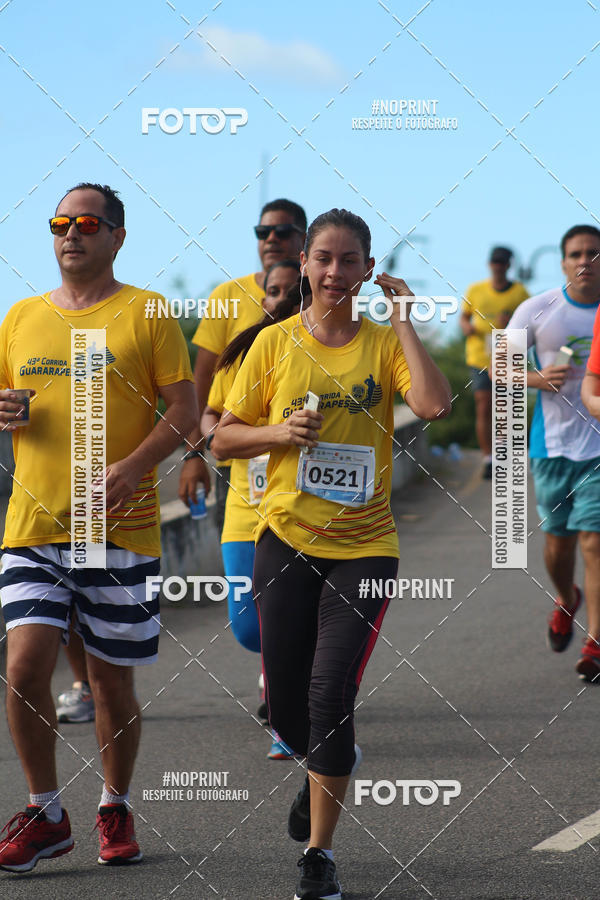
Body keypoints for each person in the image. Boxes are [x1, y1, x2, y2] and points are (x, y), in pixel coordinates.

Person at [212, 209, 451, 900]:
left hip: (366, 548)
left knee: (330, 695)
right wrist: (280, 432)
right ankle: (321, 768)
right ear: (306, 266)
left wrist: (403, 318)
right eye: (323, 259)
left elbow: (433, 404)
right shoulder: (274, 345)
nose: (335, 273)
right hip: (284, 540)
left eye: (350, 261)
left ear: (368, 270)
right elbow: (224, 439)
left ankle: (319, 855)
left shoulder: (382, 343)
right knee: (288, 713)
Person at [0, 183, 202, 873]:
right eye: (60, 223)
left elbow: (186, 407)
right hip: (33, 524)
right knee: (25, 666)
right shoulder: (21, 316)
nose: (71, 234)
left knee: (112, 684)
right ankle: (46, 811)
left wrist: (137, 463)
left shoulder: (147, 313)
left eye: (87, 223)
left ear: (117, 236)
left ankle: (114, 802)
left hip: (119, 525)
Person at [203, 260, 304, 759]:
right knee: (248, 627)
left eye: (290, 292)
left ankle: (288, 719)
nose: (278, 300)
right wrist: (210, 433)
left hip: (306, 512)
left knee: (292, 619)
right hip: (247, 511)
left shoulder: (323, 354)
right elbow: (213, 413)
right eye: (271, 292)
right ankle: (276, 670)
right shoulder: (242, 353)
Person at [178, 199, 306, 534]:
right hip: (239, 467)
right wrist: (194, 454)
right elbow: (203, 378)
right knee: (242, 572)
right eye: (263, 232)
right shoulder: (227, 296)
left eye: (282, 231)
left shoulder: (321, 298)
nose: (271, 239)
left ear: (305, 240)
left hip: (305, 474)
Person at [507, 225, 600, 680]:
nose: (585, 261)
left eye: (593, 253)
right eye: (576, 253)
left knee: (594, 540)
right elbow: (498, 363)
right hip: (551, 446)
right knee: (558, 545)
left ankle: (595, 644)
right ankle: (567, 597)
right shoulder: (539, 308)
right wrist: (536, 379)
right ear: (562, 261)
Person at [461, 247, 528, 478]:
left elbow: (529, 324)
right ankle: (488, 457)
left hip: (506, 356)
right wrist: (466, 327)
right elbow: (463, 316)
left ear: (508, 265)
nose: (497, 266)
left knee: (503, 407)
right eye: (494, 262)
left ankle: (501, 452)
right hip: (479, 355)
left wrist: (510, 323)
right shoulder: (476, 290)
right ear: (490, 265)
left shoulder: (520, 293)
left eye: (502, 262)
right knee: (483, 403)